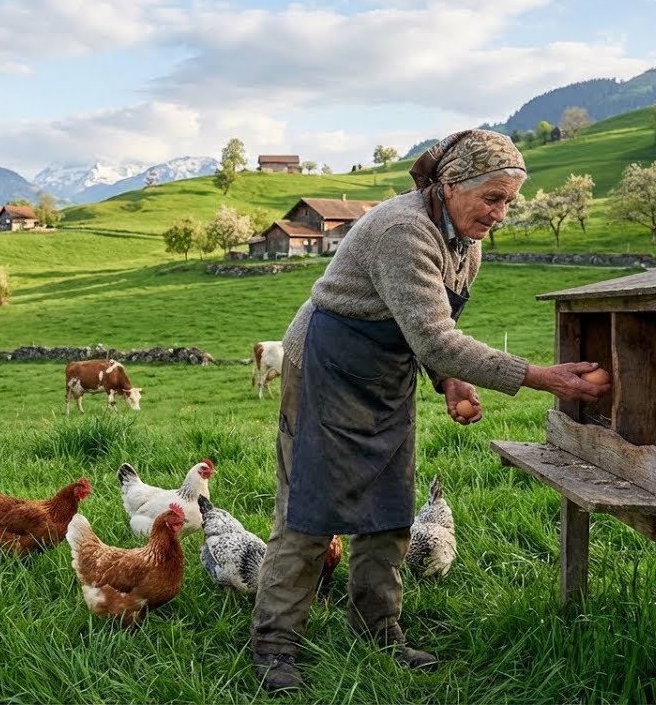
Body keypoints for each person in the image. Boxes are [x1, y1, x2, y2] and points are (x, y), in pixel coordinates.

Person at [249, 129, 610, 692]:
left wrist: (448, 382)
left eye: (509, 201)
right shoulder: (403, 231)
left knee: (391, 508)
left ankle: (378, 628)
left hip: (384, 376)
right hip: (324, 367)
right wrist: (542, 377)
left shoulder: (466, 242)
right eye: (492, 197)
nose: (500, 213)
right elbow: (436, 337)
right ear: (449, 184)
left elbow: (430, 331)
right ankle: (274, 647)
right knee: (309, 511)